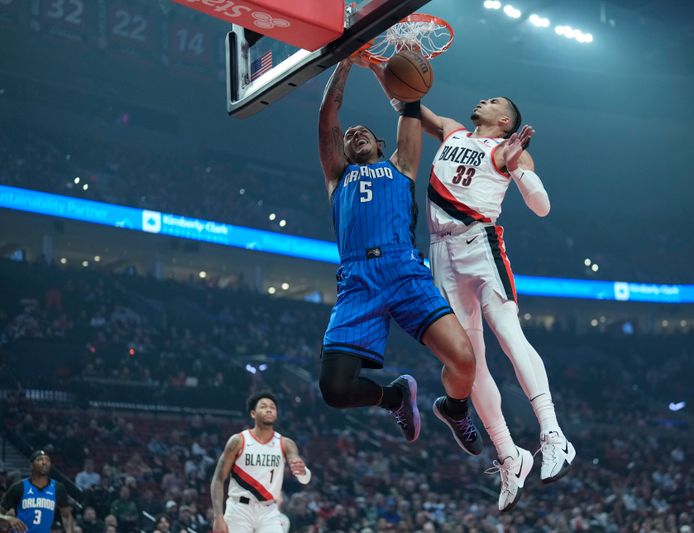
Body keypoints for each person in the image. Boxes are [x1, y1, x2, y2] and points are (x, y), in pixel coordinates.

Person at [367, 61, 575, 510]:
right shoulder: (454, 132)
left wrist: (517, 166)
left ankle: (553, 435)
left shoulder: (509, 148)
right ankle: (509, 455)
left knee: (507, 333)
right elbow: (408, 100)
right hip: (441, 254)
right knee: (469, 361)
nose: (485, 99)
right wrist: (380, 66)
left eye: (495, 101)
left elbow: (541, 207)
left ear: (505, 121)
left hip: (480, 243)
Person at [317, 57, 482, 455]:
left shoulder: (402, 166)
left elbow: (409, 102)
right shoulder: (338, 176)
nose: (354, 134)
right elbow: (328, 115)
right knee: (335, 390)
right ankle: (394, 399)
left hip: (404, 270)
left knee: (464, 360)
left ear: (381, 145)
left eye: (364, 133)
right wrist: (346, 60)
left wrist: (381, 67)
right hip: (357, 281)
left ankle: (455, 408)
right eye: (349, 135)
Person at [210, 391, 310, 533]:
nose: (269, 409)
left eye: (272, 407)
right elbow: (218, 479)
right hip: (239, 509)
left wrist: (303, 472)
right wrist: (218, 516)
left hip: (269, 512)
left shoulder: (286, 443)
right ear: (253, 414)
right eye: (263, 406)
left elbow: (304, 479)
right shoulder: (238, 441)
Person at [0, 450, 74, 533]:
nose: (44, 462)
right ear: (31, 466)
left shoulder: (58, 488)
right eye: (39, 459)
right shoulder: (19, 487)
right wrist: (9, 518)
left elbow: (66, 516)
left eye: (47, 460)